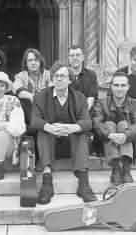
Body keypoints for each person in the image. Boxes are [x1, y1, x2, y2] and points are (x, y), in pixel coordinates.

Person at [30, 61, 97, 204]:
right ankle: (47, 184)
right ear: (52, 79)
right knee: (43, 132)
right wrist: (49, 127)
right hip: (50, 143)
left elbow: (87, 122)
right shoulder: (41, 96)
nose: (59, 79)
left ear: (70, 80)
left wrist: (72, 128)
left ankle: (84, 184)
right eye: (56, 75)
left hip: (71, 144)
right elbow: (34, 120)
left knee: (81, 133)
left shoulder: (79, 97)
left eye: (63, 76)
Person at [92, 72, 136, 185]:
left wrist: (125, 135)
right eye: (116, 85)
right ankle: (116, 168)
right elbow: (96, 122)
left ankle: (126, 168)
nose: (119, 88)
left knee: (123, 125)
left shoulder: (134, 104)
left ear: (128, 87)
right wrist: (109, 135)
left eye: (123, 85)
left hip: (131, 144)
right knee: (109, 125)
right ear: (111, 87)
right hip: (105, 142)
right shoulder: (101, 103)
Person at [13, 48, 51, 125]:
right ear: (26, 63)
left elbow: (53, 89)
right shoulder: (21, 76)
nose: (33, 63)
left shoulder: (48, 74)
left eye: (36, 60)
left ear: (40, 61)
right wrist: (31, 97)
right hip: (29, 112)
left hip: (47, 110)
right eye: (30, 60)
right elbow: (17, 90)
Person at [68, 45, 98, 110]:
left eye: (77, 55)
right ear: (69, 58)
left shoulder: (91, 75)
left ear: (83, 57)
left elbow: (90, 100)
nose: (75, 58)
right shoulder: (64, 75)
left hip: (86, 114)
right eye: (72, 55)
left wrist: (81, 115)